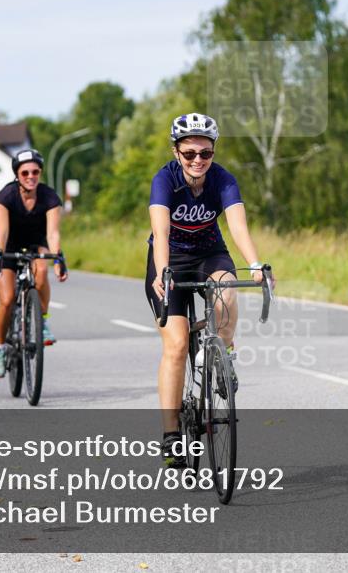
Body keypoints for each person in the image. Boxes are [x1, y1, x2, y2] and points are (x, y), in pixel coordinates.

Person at [146, 113, 274, 467]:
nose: (198, 160)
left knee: (226, 288)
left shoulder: (223, 180)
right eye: (190, 154)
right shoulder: (164, 180)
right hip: (170, 259)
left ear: (214, 153)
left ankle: (224, 352)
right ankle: (171, 435)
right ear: (176, 152)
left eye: (206, 153)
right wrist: (162, 271)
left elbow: (237, 226)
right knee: (176, 344)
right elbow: (162, 232)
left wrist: (254, 263)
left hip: (210, 254)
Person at [0, 148, 68, 378]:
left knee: (41, 270)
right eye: (25, 173)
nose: (31, 176)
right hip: (8, 247)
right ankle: (0, 348)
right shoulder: (5, 197)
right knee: (7, 300)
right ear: (17, 175)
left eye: (35, 172)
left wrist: (58, 261)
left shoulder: (50, 197)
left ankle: (41, 321)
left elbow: (53, 234)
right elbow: (2, 234)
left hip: (36, 244)